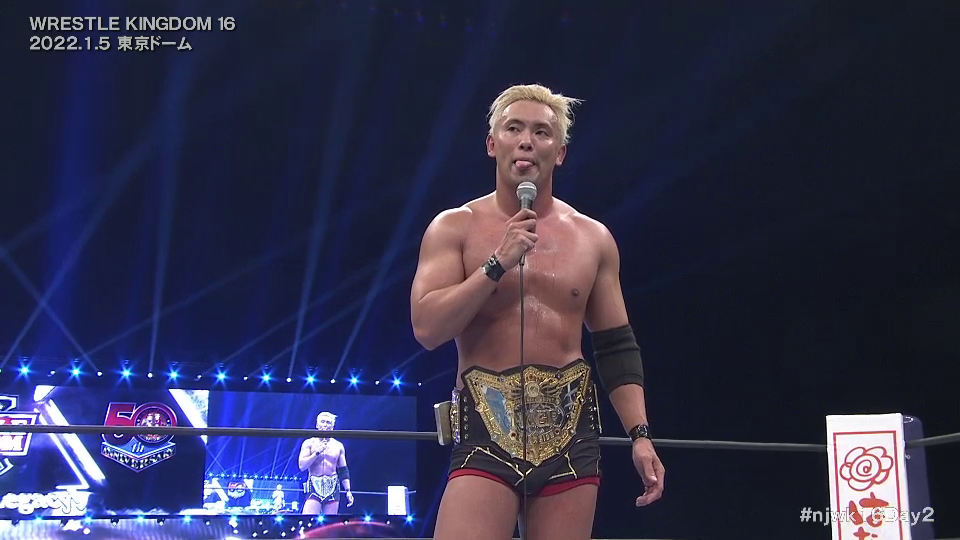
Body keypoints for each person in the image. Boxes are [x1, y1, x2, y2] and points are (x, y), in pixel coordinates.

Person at [410, 84, 665, 540]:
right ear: (493, 144)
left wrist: (640, 434)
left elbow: (616, 345)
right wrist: (496, 264)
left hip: (570, 431)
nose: (527, 141)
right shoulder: (455, 227)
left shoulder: (593, 238)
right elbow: (427, 328)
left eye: (542, 132)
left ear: (559, 153)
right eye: (514, 128)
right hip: (486, 428)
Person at [298, 412, 354, 515]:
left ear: (332, 426)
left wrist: (348, 490)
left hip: (332, 484)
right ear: (317, 424)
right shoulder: (309, 443)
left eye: (328, 422)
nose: (325, 425)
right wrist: (316, 453)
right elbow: (302, 466)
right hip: (314, 483)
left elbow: (343, 470)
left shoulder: (338, 446)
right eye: (322, 422)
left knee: (330, 521)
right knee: (308, 518)